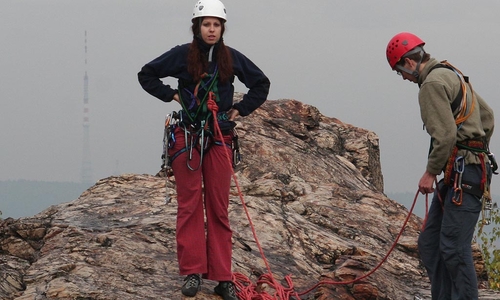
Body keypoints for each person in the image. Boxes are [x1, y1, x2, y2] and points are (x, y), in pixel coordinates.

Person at [138, 0, 270, 299]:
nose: (211, 29)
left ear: (222, 28)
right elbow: (146, 74)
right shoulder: (181, 56)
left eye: (216, 24)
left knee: (218, 207)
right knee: (189, 205)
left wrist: (239, 110)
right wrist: (172, 95)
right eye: (206, 24)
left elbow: (261, 83)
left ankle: (222, 276)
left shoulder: (231, 58)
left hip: (219, 134)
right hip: (188, 134)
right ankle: (193, 272)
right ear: (197, 27)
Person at [386, 32, 495, 300]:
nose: (403, 78)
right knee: (431, 243)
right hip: (462, 170)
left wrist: (430, 172)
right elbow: (488, 116)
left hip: (462, 173)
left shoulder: (431, 85)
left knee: (454, 248)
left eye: (400, 71)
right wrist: (476, 148)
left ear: (408, 64)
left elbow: (445, 135)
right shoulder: (450, 73)